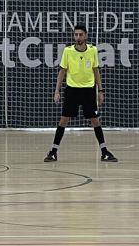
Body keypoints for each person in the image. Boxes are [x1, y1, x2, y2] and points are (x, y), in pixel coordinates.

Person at [45, 24, 116, 163]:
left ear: (86, 36)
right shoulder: (68, 51)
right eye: (76, 34)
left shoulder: (93, 50)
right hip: (72, 90)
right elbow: (62, 72)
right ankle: (53, 152)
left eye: (81, 35)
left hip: (88, 91)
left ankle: (104, 152)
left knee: (95, 120)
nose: (78, 37)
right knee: (64, 120)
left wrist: (100, 90)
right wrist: (57, 91)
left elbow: (96, 71)